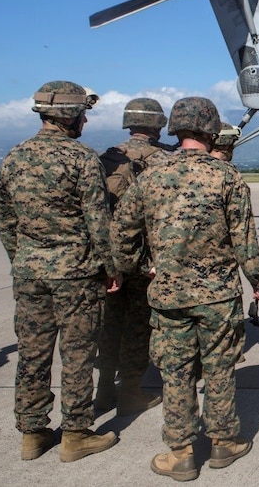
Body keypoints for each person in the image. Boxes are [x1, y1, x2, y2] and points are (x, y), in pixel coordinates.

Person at [112, 97, 259, 481]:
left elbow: (120, 234)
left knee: (176, 373)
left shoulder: (151, 175)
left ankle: (181, 452)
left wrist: (142, 267)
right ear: (211, 129)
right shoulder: (226, 176)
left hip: (168, 295)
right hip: (218, 296)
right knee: (219, 369)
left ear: (176, 129)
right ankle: (223, 443)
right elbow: (244, 240)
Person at [0, 80, 122, 463]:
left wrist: (25, 259)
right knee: (78, 353)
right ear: (71, 115)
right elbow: (98, 222)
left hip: (29, 273)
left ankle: (32, 434)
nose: (85, 120)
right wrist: (110, 268)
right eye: (83, 113)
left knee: (32, 354)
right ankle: (76, 433)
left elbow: (4, 220)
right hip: (77, 274)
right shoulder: (81, 159)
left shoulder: (14, 157)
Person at [94, 98, 174, 415]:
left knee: (110, 325)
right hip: (146, 259)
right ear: (158, 124)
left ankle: (103, 391)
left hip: (109, 257)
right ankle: (130, 391)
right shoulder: (167, 161)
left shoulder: (106, 159)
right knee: (139, 327)